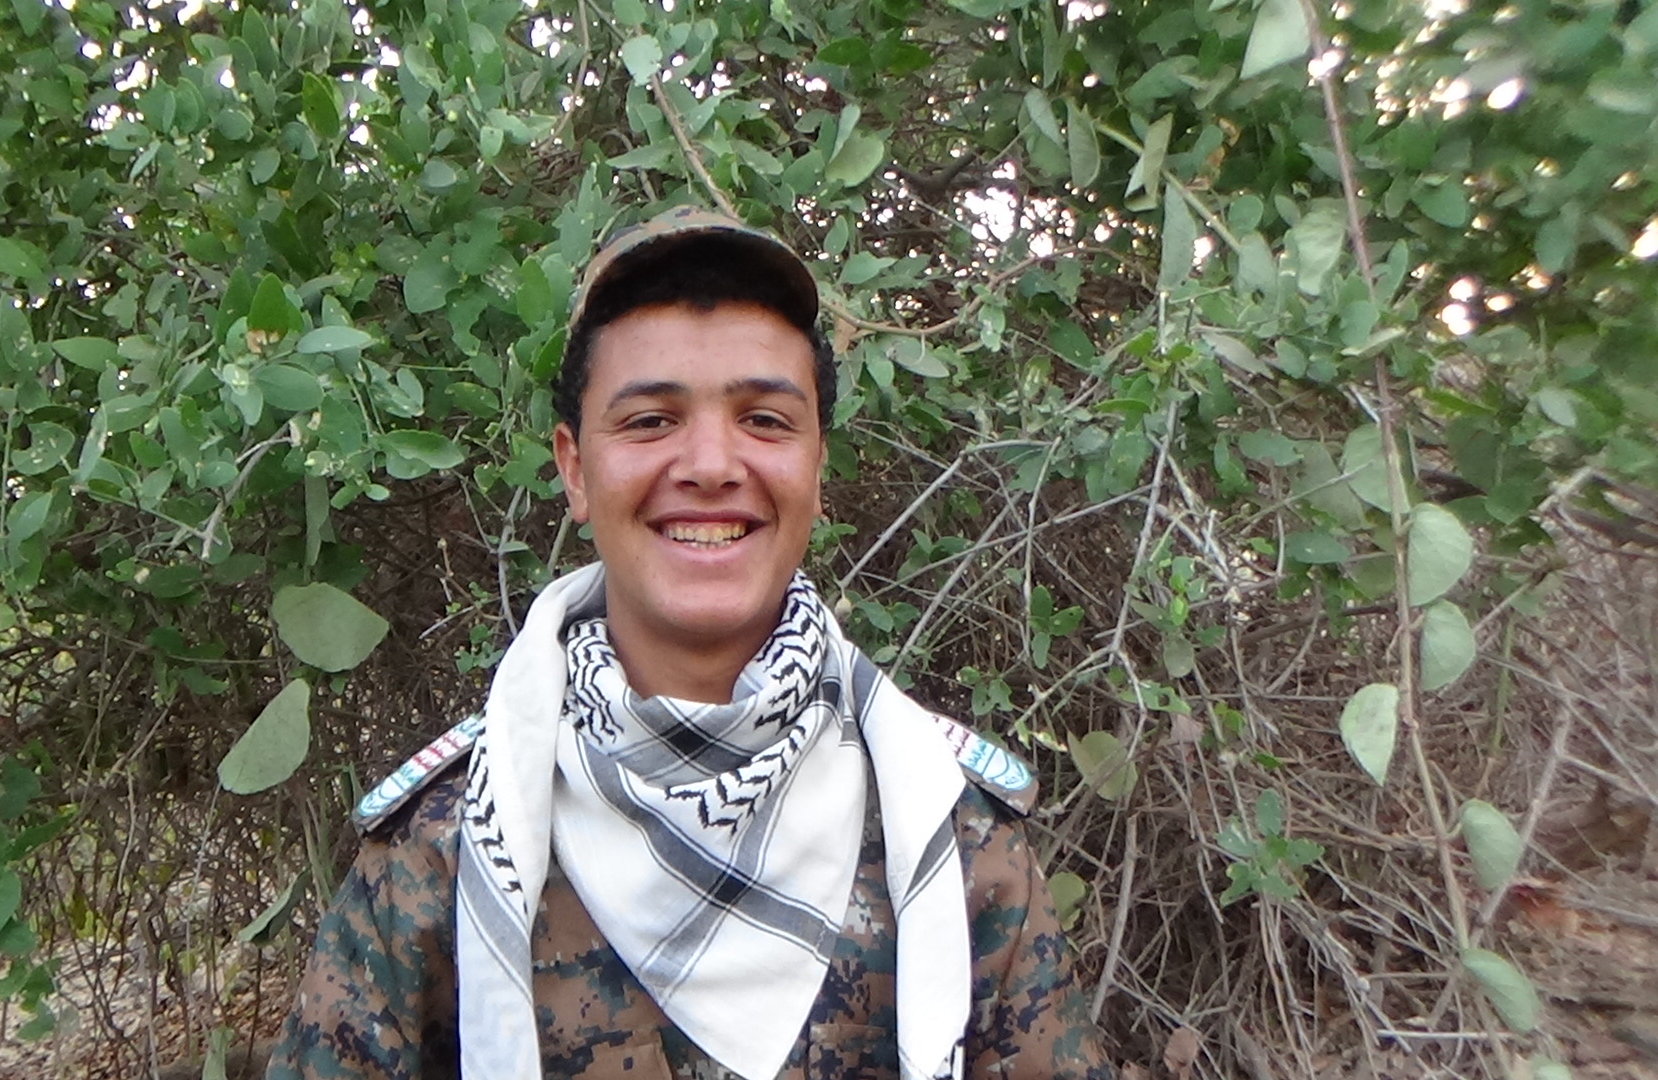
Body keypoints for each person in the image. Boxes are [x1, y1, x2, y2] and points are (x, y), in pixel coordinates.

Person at [264, 207, 1115, 1080]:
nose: (710, 464)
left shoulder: (947, 831)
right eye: (649, 421)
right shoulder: (440, 851)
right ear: (574, 469)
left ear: (818, 467)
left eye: (766, 420)